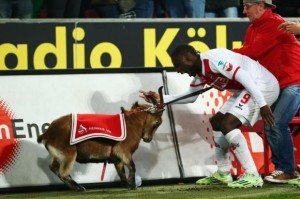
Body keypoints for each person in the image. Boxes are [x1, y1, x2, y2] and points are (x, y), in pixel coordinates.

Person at [140, 44, 279, 188]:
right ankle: (224, 173)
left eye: (178, 65)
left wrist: (262, 104)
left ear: (188, 58)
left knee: (228, 124)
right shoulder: (200, 72)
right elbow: (191, 96)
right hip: (247, 89)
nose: (179, 71)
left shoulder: (214, 59)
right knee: (217, 122)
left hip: (262, 86)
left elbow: (243, 76)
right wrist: (161, 99)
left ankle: (252, 175)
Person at [232, 0, 300, 183]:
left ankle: (286, 169)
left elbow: (252, 52)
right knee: (272, 123)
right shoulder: (253, 29)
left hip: (295, 82)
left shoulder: (275, 24)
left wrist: (223, 54)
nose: (244, 11)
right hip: (279, 85)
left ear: (261, 6)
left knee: (275, 123)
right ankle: (283, 169)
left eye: (247, 6)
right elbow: (248, 59)